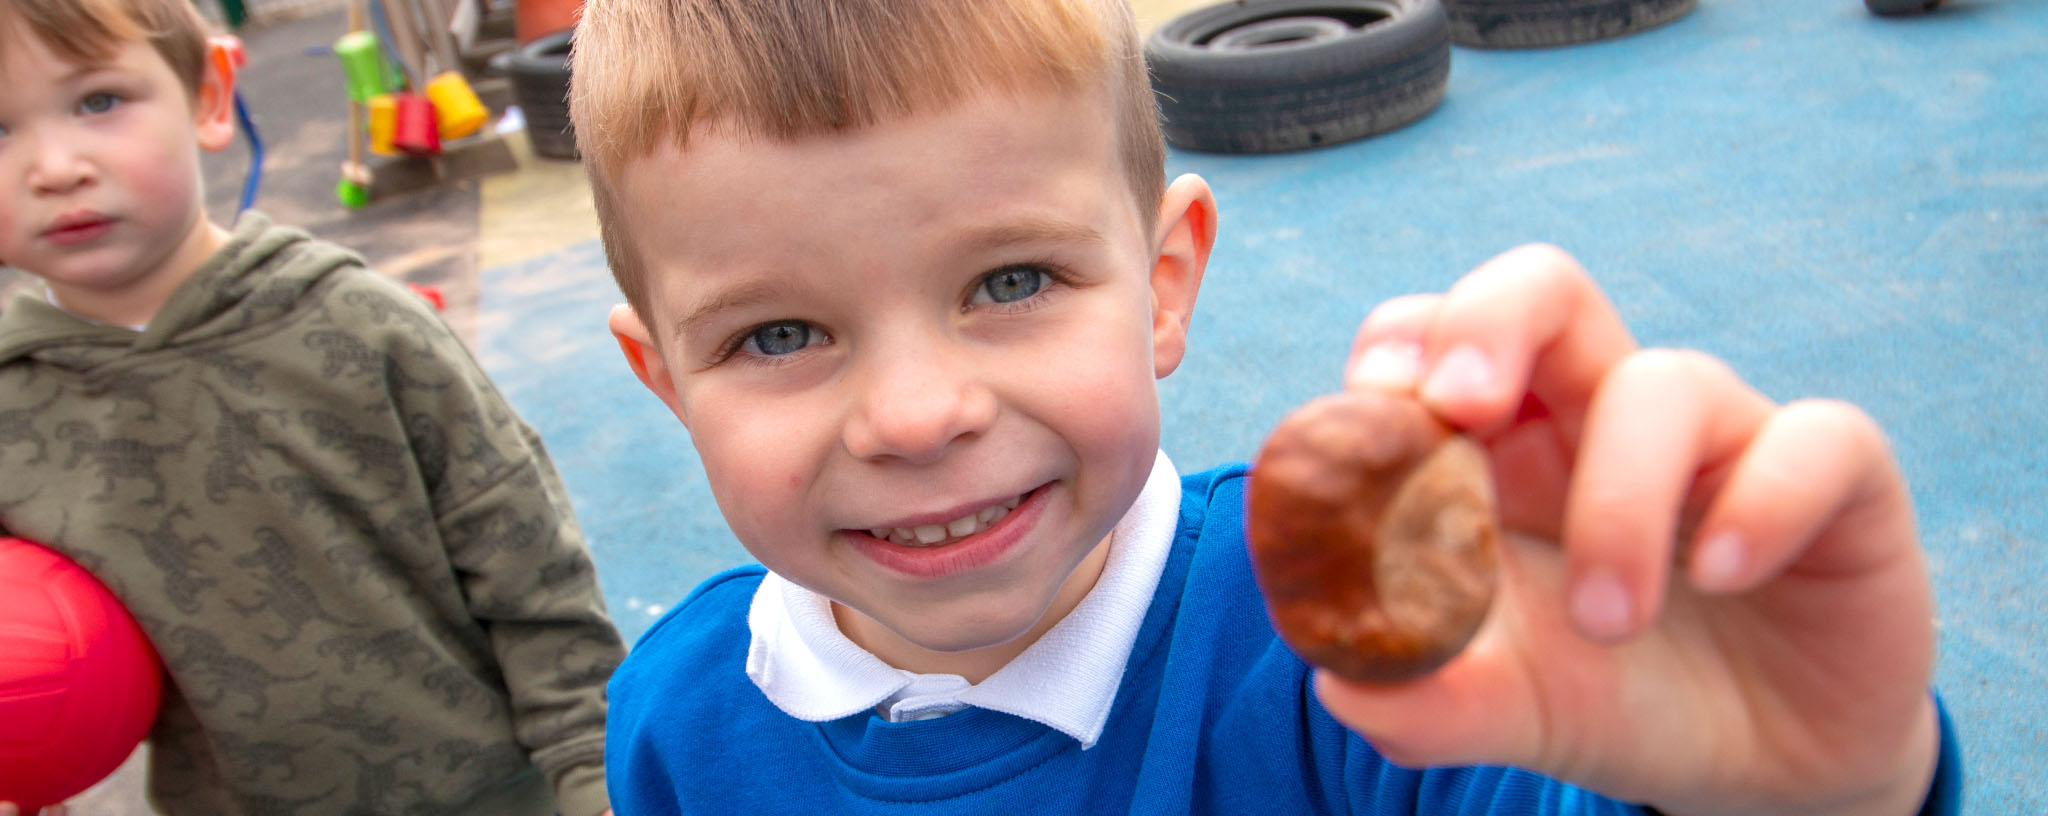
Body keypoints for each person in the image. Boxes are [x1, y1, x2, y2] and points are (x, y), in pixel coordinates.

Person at [568, 1, 1960, 814]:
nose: (919, 415)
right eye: (781, 333)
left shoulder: (1358, 661)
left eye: (1008, 281)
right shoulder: (676, 726)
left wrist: (1826, 785)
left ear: (1164, 284)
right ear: (667, 381)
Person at [0, 1, 623, 814]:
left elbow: (532, 574)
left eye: (99, 101)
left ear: (209, 95)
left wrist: (593, 778)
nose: (55, 166)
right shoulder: (15, 407)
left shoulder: (359, 329)